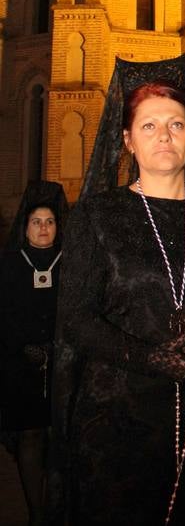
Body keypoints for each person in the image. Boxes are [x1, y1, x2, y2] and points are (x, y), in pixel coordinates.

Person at [51, 55, 185, 525]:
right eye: (148, 126)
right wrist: (147, 357)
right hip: (116, 416)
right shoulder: (96, 216)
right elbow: (76, 317)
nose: (163, 135)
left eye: (176, 124)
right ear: (126, 140)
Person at [0, 180, 68, 526]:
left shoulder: (70, 264)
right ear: (25, 226)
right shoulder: (10, 263)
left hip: (63, 366)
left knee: (62, 436)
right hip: (21, 366)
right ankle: (35, 513)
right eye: (36, 222)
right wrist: (22, 345)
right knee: (30, 435)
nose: (43, 228)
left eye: (50, 222)